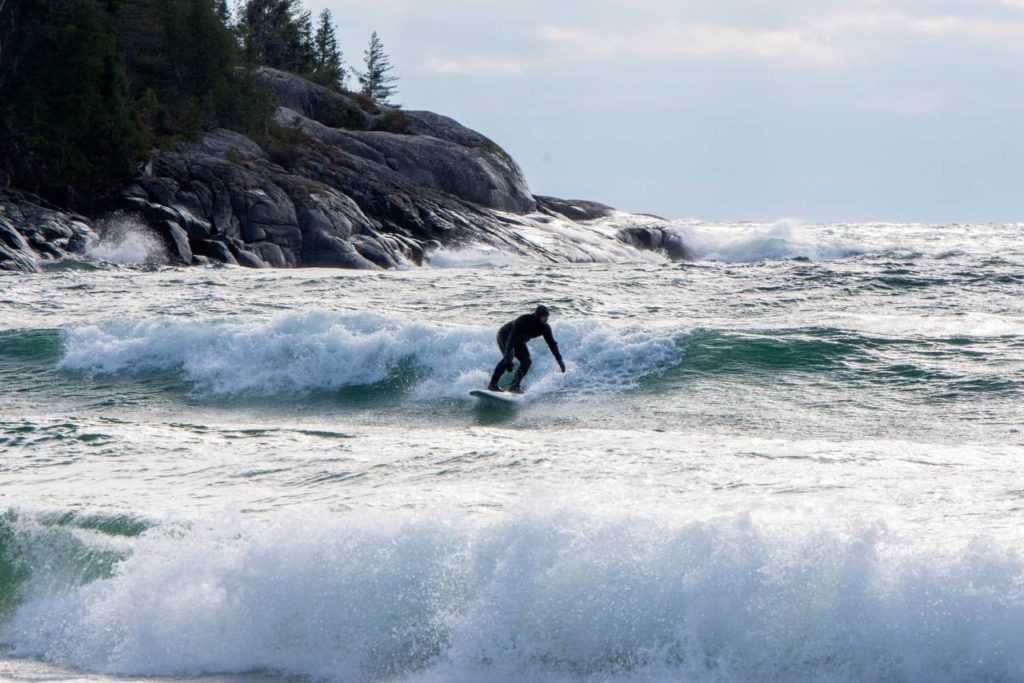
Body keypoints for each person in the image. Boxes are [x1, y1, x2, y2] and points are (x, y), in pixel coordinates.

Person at [488, 305, 566, 393]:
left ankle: (514, 386)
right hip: (505, 334)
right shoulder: (524, 320)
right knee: (509, 356)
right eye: (544, 317)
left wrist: (559, 360)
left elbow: (552, 344)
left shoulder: (545, 328)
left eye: (547, 316)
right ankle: (492, 385)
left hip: (519, 341)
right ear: (538, 316)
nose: (546, 319)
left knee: (527, 362)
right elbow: (511, 338)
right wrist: (507, 357)